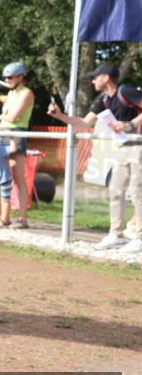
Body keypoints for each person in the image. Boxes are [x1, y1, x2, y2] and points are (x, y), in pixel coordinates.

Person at [48, 64, 142, 252]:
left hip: (139, 144)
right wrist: (59, 116)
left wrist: (129, 125)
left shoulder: (127, 91)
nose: (92, 80)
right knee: (115, 190)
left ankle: (139, 237)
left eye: (95, 77)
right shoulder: (104, 100)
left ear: (105, 77)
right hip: (122, 147)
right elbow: (84, 123)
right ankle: (115, 234)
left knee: (137, 191)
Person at [0, 62, 35, 229]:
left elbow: (12, 118)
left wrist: (3, 118)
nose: (7, 80)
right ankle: (3, 217)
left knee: (18, 176)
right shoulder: (11, 93)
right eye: (6, 77)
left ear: (20, 77)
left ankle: (23, 219)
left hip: (16, 134)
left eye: (10, 77)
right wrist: (4, 118)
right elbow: (8, 116)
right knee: (2, 175)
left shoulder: (27, 93)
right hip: (4, 134)